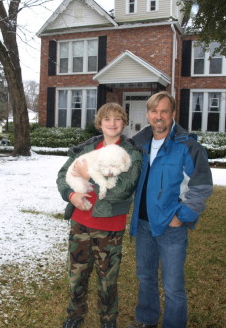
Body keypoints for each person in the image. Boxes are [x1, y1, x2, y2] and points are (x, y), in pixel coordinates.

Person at [127, 91, 213, 328]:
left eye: (164, 111)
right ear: (148, 114)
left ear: (173, 113)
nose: (159, 116)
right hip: (143, 224)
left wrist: (182, 216)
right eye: (154, 111)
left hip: (171, 227)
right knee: (145, 277)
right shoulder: (138, 144)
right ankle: (146, 318)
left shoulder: (188, 146)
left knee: (173, 285)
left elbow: (201, 186)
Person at [56, 103, 142, 328]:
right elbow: (63, 175)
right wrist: (71, 195)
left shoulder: (132, 152)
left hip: (110, 225)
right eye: (107, 119)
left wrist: (89, 176)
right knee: (77, 274)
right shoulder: (88, 148)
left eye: (117, 119)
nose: (112, 123)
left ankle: (108, 319)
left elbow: (124, 187)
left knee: (108, 277)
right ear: (100, 123)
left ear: (124, 123)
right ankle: (74, 315)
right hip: (80, 222)